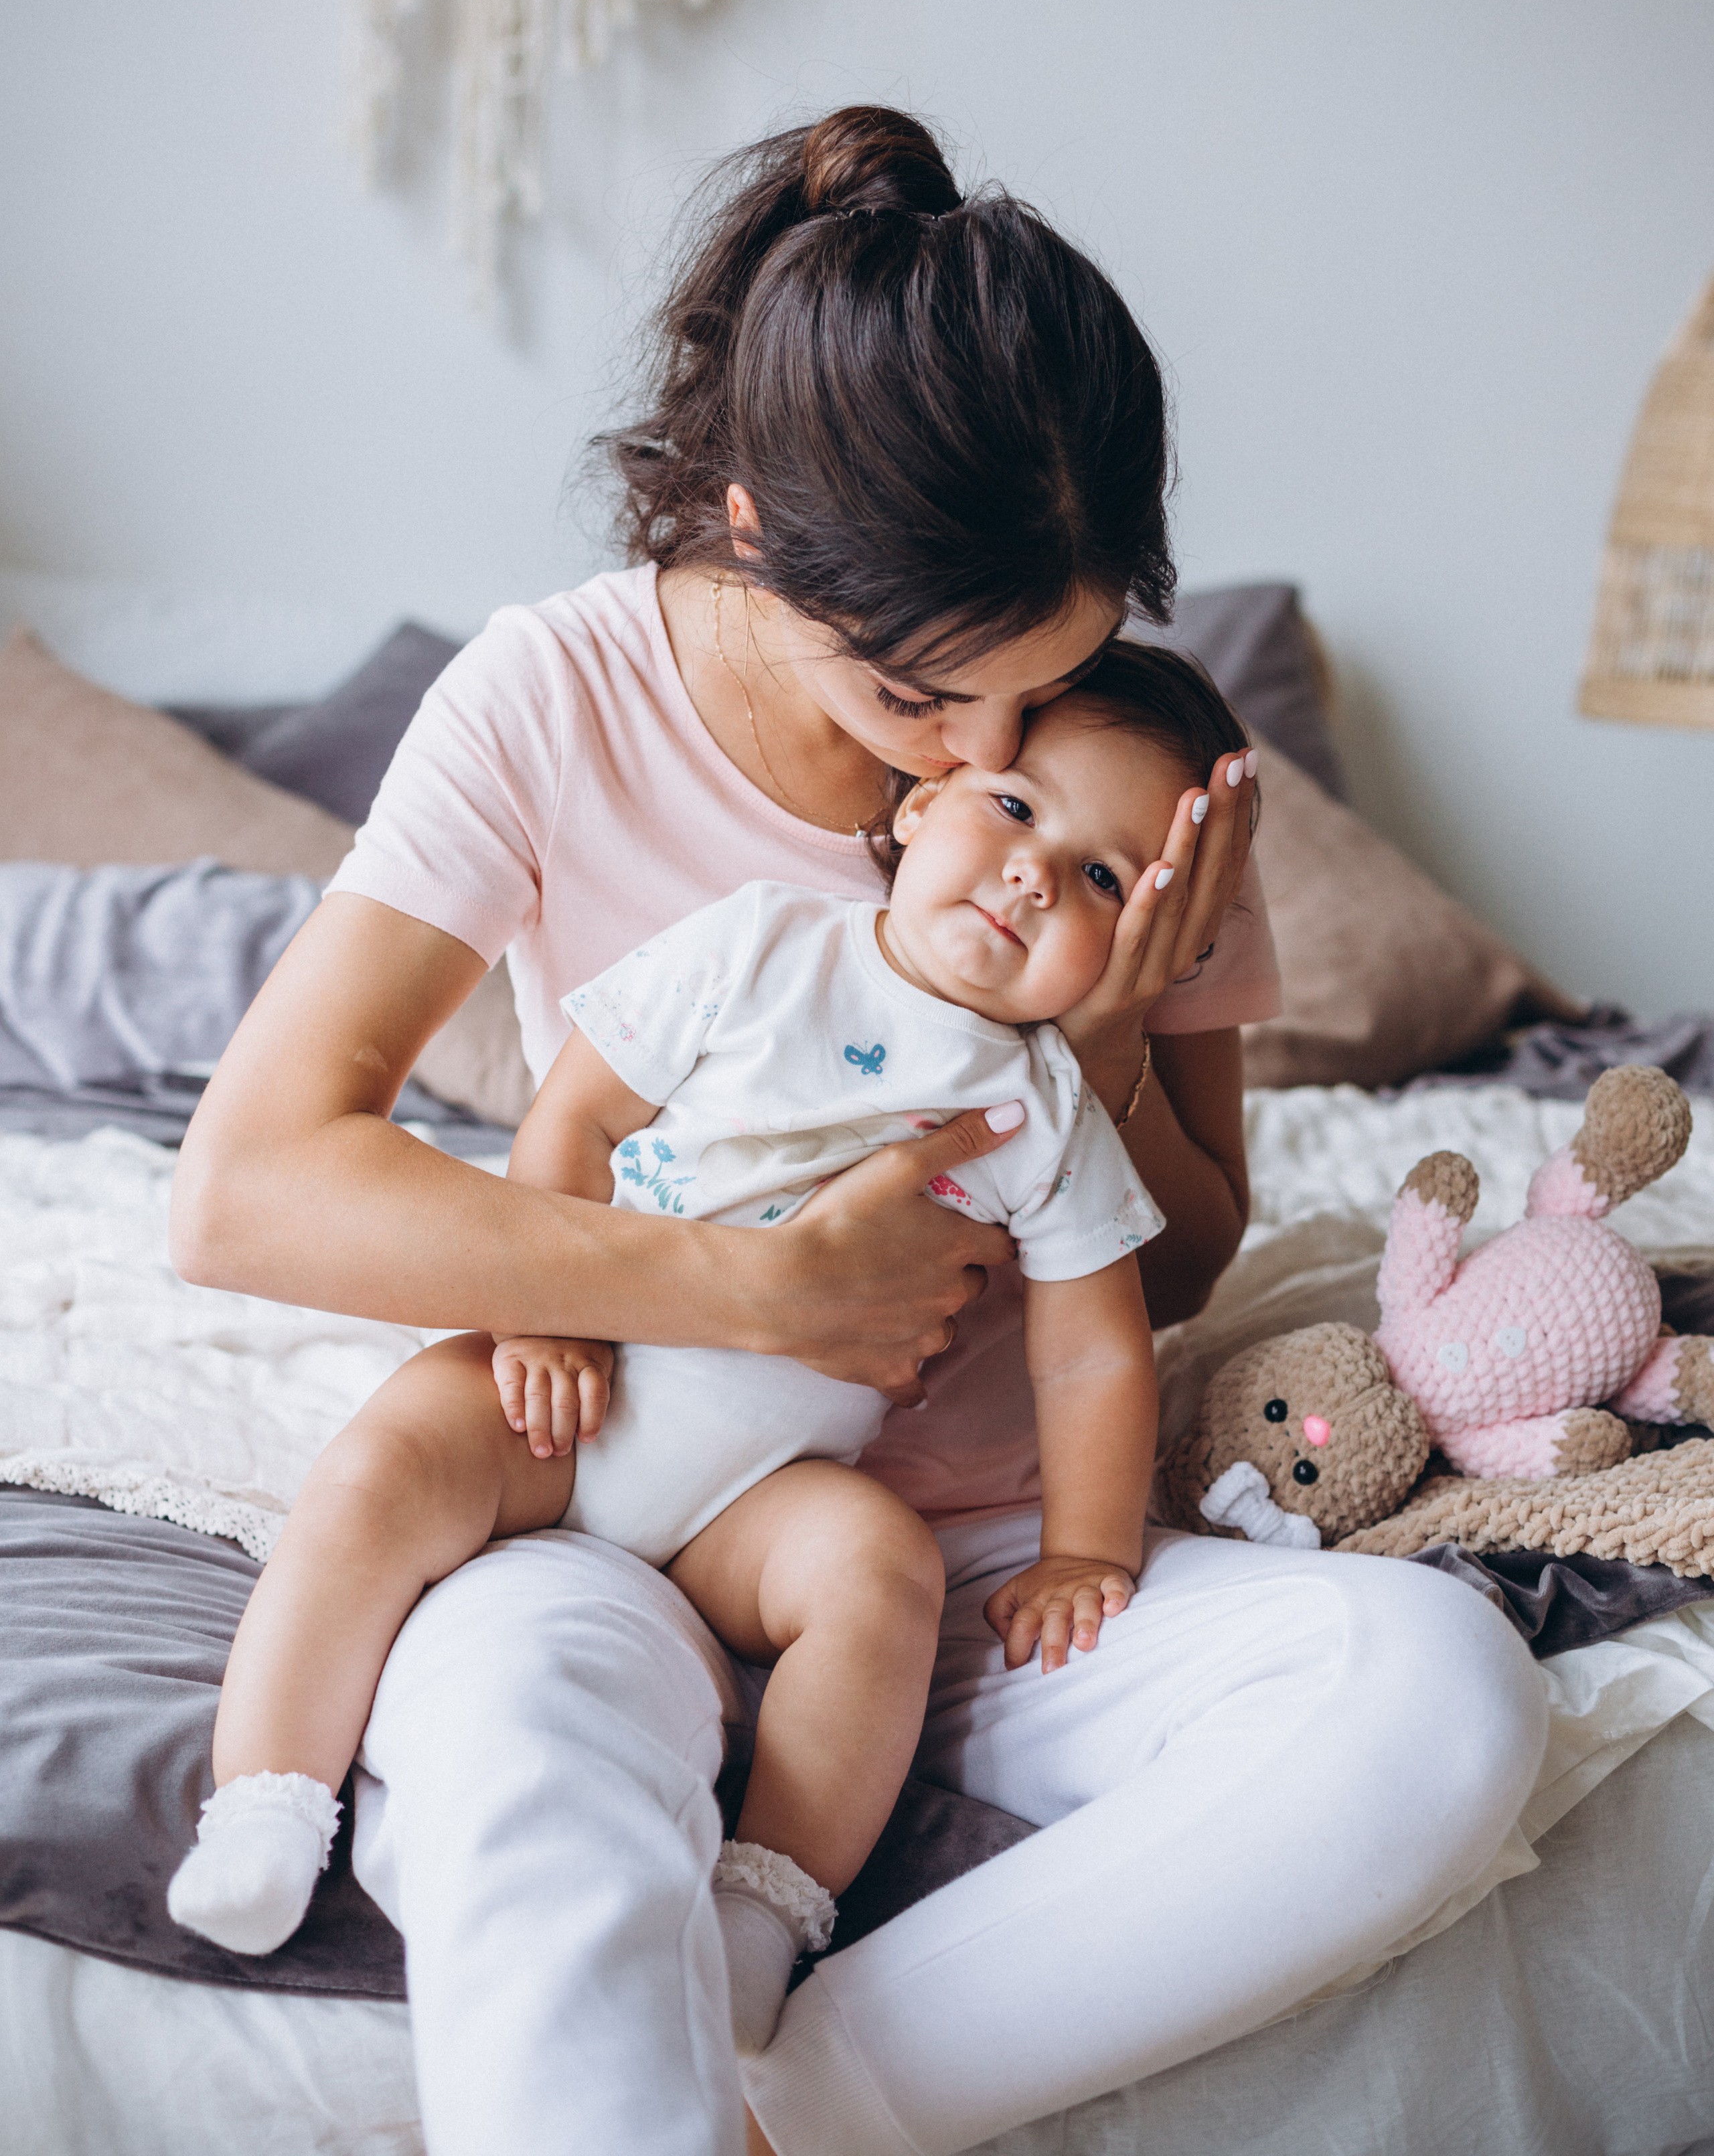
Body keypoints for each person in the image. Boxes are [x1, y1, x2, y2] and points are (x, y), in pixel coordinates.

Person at [172, 105, 1547, 2156]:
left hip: (979, 1541)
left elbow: (1170, 1270)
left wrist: (1091, 1032)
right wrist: (757, 1290)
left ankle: (809, 2104)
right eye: (931, 709)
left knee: (1443, 1705)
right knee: (515, 1774)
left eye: (1053, 676)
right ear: (748, 530)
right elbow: (247, 1188)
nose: (996, 763)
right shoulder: (551, 702)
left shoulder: (1137, 780)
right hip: (623, 1474)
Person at [168, 648, 1240, 2042]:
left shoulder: (1045, 1111)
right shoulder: (761, 943)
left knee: (880, 1573)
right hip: (578, 1394)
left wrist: (1088, 1551)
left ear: (1145, 952)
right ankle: (267, 1800)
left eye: (1103, 880)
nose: (1038, 875)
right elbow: (572, 1121)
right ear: (920, 807)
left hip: (763, 1489)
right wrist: (545, 1316)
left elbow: (1091, 1356)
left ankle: (764, 1910)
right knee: (380, 1467)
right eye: (1020, 812)